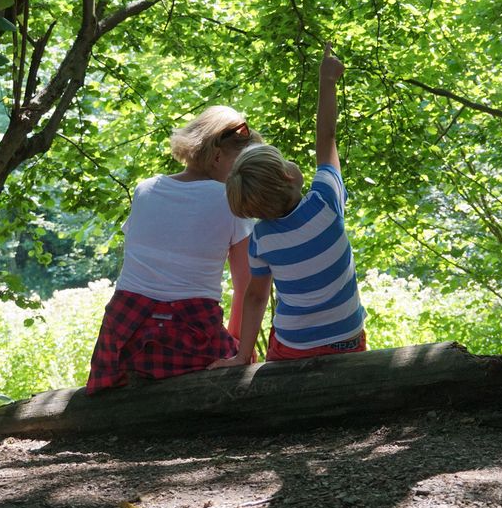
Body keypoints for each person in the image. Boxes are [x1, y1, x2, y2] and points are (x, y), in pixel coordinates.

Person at [86, 106, 262, 394]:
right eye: (240, 162)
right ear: (218, 156)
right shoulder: (231, 200)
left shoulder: (146, 189)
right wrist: (236, 344)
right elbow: (245, 285)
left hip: (122, 336)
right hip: (190, 333)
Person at [211, 43, 365, 367]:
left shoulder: (262, 239)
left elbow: (255, 297)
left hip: (293, 348)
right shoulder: (325, 200)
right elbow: (327, 138)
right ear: (288, 175)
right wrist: (328, 80)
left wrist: (242, 356)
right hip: (347, 341)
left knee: (281, 341)